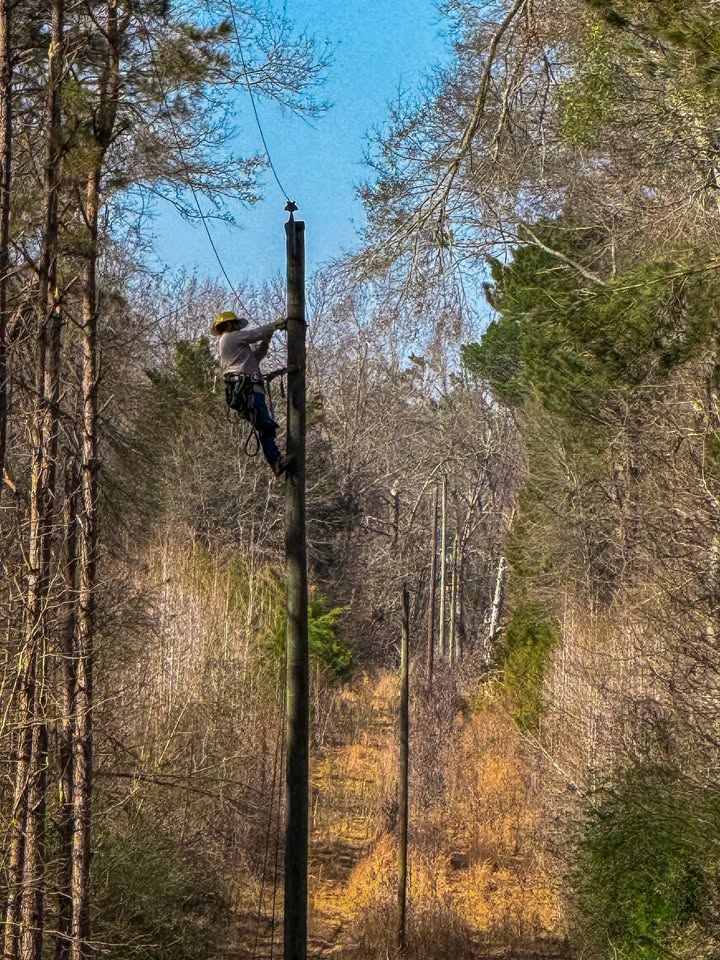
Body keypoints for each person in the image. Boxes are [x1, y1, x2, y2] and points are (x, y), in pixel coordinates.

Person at [211, 310, 291, 476]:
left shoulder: (236, 347)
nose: (236, 326)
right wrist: (274, 326)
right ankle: (276, 461)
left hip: (247, 390)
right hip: (247, 390)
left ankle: (276, 460)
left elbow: (258, 355)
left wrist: (267, 338)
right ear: (227, 325)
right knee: (264, 424)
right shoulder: (230, 337)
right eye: (234, 323)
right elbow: (255, 334)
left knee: (263, 425)